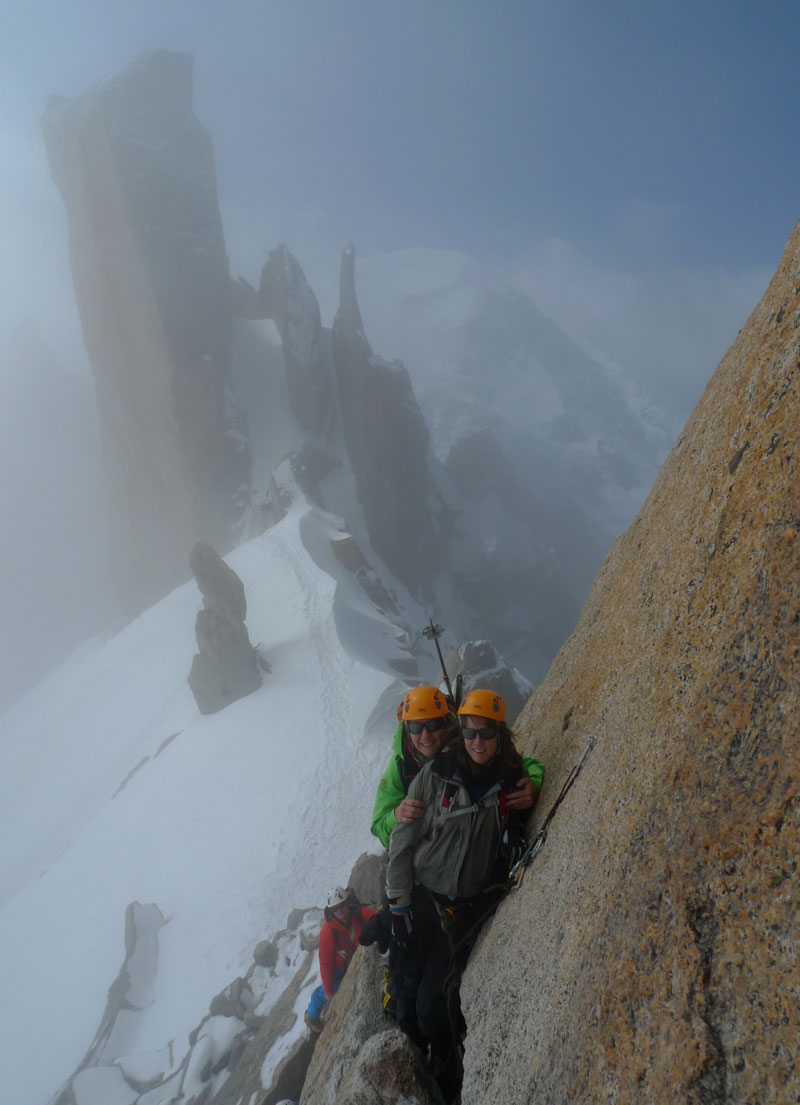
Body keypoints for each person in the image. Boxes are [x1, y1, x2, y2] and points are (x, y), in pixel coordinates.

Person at [385, 689, 536, 1098]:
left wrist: (529, 794)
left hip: (460, 912)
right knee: (404, 998)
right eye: (470, 733)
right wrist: (397, 905)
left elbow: (526, 789)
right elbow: (401, 842)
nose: (477, 742)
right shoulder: (435, 776)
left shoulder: (511, 779)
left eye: (487, 734)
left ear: (500, 736)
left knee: (431, 1010)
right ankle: (417, 1071)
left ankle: (446, 1069)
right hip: (420, 901)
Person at [371, 684, 544, 849]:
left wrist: (533, 784)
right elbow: (379, 826)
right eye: (416, 727)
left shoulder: (466, 741)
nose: (425, 736)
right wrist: (396, 817)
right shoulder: (401, 764)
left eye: (433, 725)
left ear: (445, 722)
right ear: (407, 729)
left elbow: (522, 763)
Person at [304, 887, 376, 1034]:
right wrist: (329, 993)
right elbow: (325, 963)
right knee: (333, 988)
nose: (341, 911)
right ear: (331, 911)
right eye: (336, 909)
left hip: (353, 960)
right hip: (338, 967)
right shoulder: (328, 931)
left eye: (342, 906)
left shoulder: (358, 913)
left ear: (347, 903)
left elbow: (376, 918)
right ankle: (311, 1015)